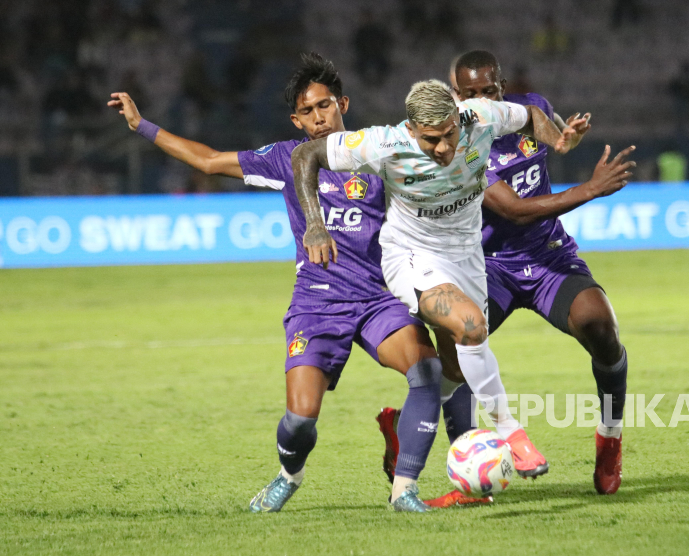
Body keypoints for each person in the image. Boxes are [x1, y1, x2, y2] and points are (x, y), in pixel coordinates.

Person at [107, 53, 444, 513]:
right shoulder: (286, 158)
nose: (318, 117)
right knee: (300, 421)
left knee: (426, 372)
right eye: (307, 112)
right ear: (296, 120)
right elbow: (207, 161)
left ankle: (404, 489)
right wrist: (142, 126)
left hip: (376, 300)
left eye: (325, 105)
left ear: (343, 103)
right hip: (316, 304)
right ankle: (290, 474)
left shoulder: (376, 155)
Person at [291, 76, 593, 485]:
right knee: (470, 326)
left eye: (450, 134)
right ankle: (512, 433)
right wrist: (314, 223)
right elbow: (305, 156)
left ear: (458, 117)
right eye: (432, 140)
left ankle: (403, 430)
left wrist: (558, 139)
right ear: (412, 130)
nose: (445, 148)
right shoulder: (383, 143)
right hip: (410, 256)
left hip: (467, 256)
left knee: (455, 367)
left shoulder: (480, 116)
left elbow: (531, 116)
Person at [378, 50, 635, 507]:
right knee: (455, 365)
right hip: (486, 265)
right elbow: (513, 210)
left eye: (489, 90)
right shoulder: (460, 144)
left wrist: (563, 140)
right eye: (470, 93)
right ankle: (409, 437)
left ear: (501, 86)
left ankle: (609, 440)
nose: (480, 99)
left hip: (547, 255)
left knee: (602, 327)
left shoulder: (522, 108)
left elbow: (543, 121)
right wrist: (589, 189)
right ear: (455, 95)